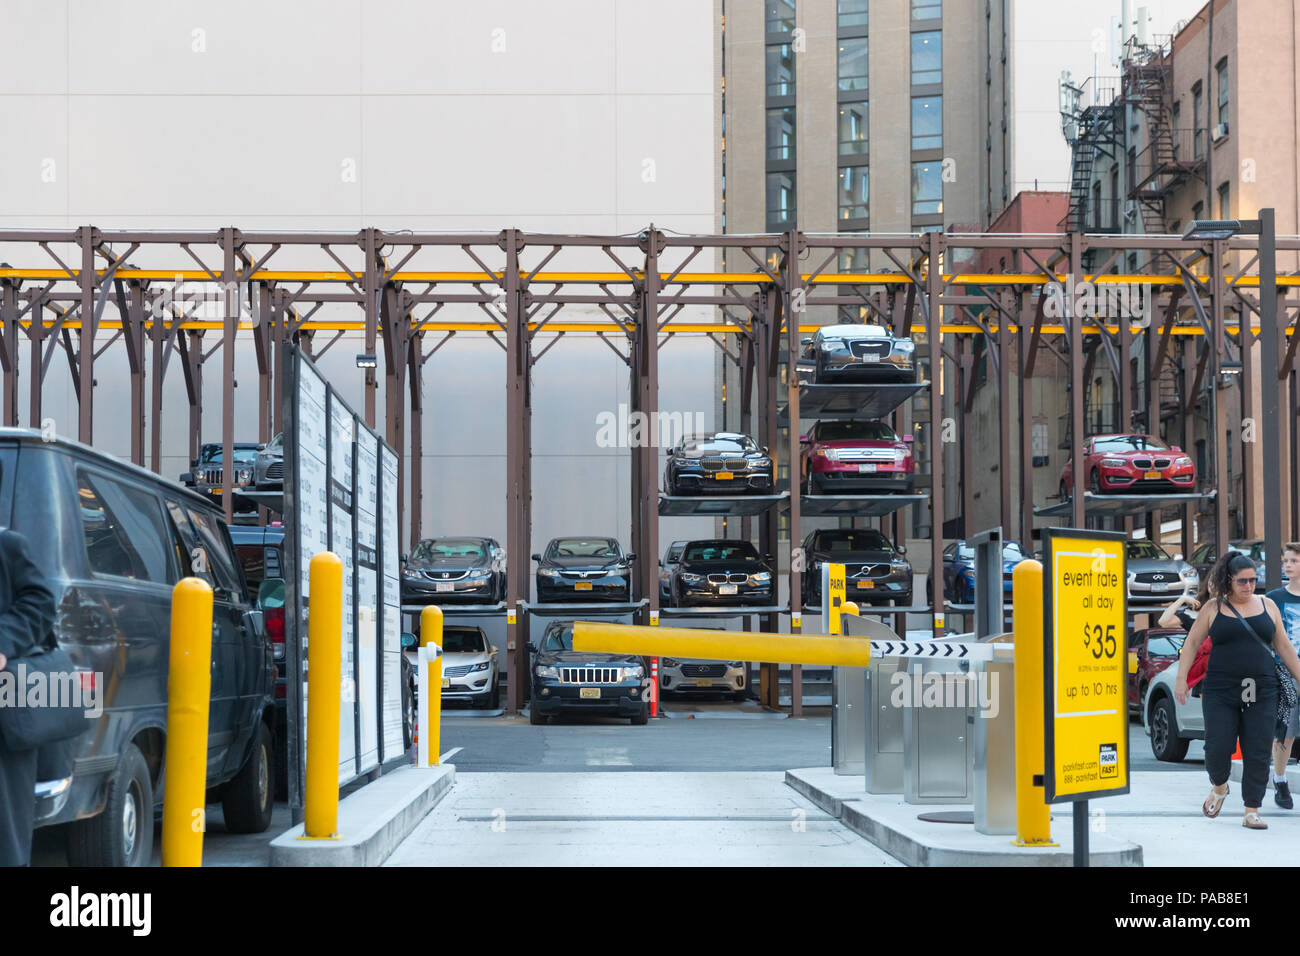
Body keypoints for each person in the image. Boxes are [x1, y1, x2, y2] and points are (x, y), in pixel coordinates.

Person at [1174, 552, 1300, 829]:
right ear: (1229, 580)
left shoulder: (1268, 607)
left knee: (1257, 750)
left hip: (1263, 686)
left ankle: (1251, 809)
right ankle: (1219, 787)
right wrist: (1181, 679)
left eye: (1253, 580)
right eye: (1242, 581)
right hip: (1221, 687)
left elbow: (1285, 647)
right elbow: (1192, 644)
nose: (1249, 586)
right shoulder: (1213, 608)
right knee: (1217, 746)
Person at [0, 529, 57, 867]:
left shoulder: (7, 545)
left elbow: (40, 602)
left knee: (6, 837)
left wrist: (3, 643)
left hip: (5, 713)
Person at [1266, 542, 1300, 809]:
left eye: (1293, 561)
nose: (1288, 565)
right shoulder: (1275, 598)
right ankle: (1279, 780)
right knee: (1285, 731)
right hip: (1285, 673)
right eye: (1286, 561)